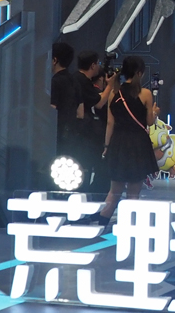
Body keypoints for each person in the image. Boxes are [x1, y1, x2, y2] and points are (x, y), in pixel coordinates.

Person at [95, 56, 160, 224]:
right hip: (138, 144)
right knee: (134, 192)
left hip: (118, 143)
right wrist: (154, 113)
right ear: (140, 73)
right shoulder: (145, 94)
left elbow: (110, 123)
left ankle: (102, 221)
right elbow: (150, 122)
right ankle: (130, 225)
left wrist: (107, 145)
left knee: (114, 190)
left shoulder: (114, 93)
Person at [76, 50, 115, 194]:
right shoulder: (82, 81)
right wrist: (110, 86)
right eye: (98, 63)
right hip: (85, 135)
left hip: (81, 133)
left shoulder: (78, 79)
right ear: (93, 65)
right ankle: (90, 195)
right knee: (88, 167)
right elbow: (99, 103)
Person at [50, 42, 82, 176]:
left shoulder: (54, 82)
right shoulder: (74, 80)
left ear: (54, 60)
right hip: (72, 134)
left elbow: (51, 110)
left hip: (56, 136)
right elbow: (80, 113)